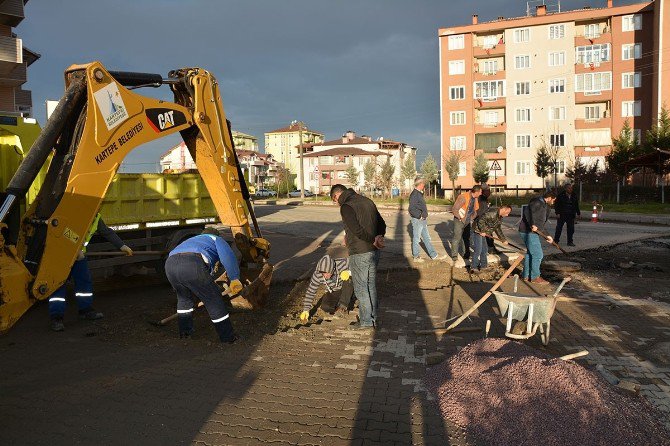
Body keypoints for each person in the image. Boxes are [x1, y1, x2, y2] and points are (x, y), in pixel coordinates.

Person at [48, 214, 133, 332]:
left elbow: (106, 232)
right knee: (58, 284)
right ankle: (56, 318)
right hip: (63, 254)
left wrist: (122, 246)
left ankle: (85, 310)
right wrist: (76, 248)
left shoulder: (95, 216)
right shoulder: (76, 210)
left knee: (84, 282)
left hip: (79, 257)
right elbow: (62, 229)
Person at [165, 227, 243, 343]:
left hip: (170, 265)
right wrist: (234, 278)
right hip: (192, 263)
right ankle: (228, 338)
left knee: (184, 300)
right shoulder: (216, 239)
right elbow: (228, 257)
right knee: (214, 300)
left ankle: (185, 334)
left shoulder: (193, 240)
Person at [330, 184, 386, 330]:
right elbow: (382, 223)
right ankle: (374, 318)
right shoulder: (367, 201)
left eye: (334, 201)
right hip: (374, 251)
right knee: (371, 285)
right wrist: (379, 237)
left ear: (337, 196)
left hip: (359, 251)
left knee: (361, 287)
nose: (336, 204)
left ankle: (366, 321)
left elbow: (356, 230)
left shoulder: (346, 207)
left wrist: (372, 238)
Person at [518, 190, 557, 284]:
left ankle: (526, 276)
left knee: (530, 254)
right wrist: (532, 224)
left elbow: (541, 223)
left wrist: (547, 235)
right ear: (549, 198)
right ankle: (535, 277)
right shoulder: (537, 202)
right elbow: (527, 212)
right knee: (538, 255)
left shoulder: (544, 204)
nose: (553, 202)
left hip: (530, 231)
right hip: (529, 232)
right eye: (553, 200)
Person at [300, 254, 353, 321]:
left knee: (349, 280)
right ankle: (341, 305)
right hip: (335, 290)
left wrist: (350, 272)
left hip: (347, 287)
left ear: (333, 269)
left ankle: (343, 307)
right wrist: (306, 309)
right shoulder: (317, 274)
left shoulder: (343, 263)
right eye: (323, 273)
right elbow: (311, 291)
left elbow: (360, 266)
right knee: (326, 307)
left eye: (327, 273)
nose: (325, 276)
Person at [409, 177, 447, 263]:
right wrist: (419, 216)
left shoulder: (418, 193)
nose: (424, 185)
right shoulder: (415, 194)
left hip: (422, 220)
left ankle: (433, 255)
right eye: (423, 184)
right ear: (419, 184)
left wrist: (423, 216)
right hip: (418, 220)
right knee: (416, 238)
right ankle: (416, 256)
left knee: (426, 238)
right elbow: (411, 209)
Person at [472, 205, 512, 272]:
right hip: (478, 231)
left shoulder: (499, 217)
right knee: (478, 250)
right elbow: (481, 220)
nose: (507, 215)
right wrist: (482, 230)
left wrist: (503, 239)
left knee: (484, 250)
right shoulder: (492, 213)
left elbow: (498, 228)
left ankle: (483, 267)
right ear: (504, 210)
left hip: (484, 232)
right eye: (507, 212)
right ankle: (473, 267)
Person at [451, 185, 482, 263]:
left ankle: (466, 254)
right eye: (480, 192)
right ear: (477, 192)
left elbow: (475, 209)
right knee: (457, 238)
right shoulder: (463, 197)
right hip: (459, 220)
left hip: (467, 221)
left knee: (466, 238)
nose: (481, 193)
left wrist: (471, 218)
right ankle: (454, 256)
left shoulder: (475, 198)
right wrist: (460, 218)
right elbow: (454, 209)